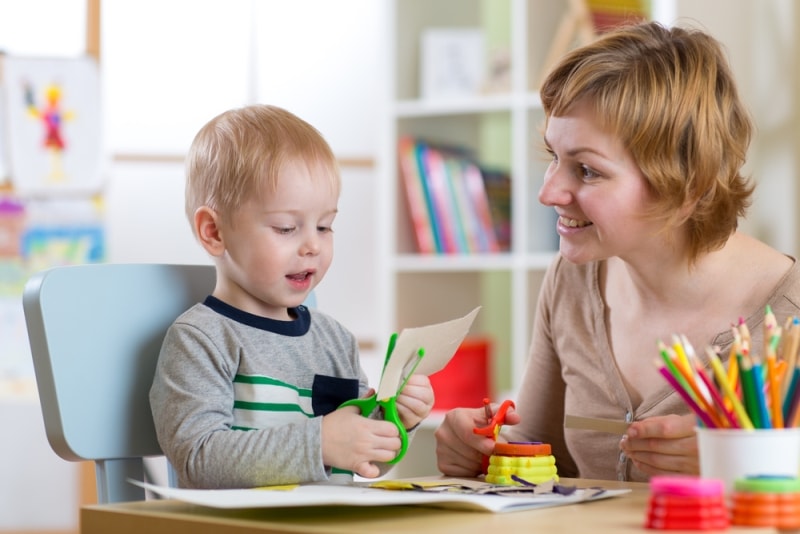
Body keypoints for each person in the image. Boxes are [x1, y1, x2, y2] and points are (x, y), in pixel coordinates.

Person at [434, 20, 800, 482]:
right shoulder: (571, 281)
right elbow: (542, 466)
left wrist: (750, 465)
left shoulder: (791, 315)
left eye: (587, 171)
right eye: (553, 156)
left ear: (688, 185)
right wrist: (480, 455)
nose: (548, 193)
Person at [150, 104, 434, 489]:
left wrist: (397, 419)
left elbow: (358, 460)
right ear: (214, 232)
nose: (313, 246)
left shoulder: (335, 341)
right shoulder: (201, 339)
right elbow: (198, 459)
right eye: (286, 228)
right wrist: (319, 444)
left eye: (324, 226)